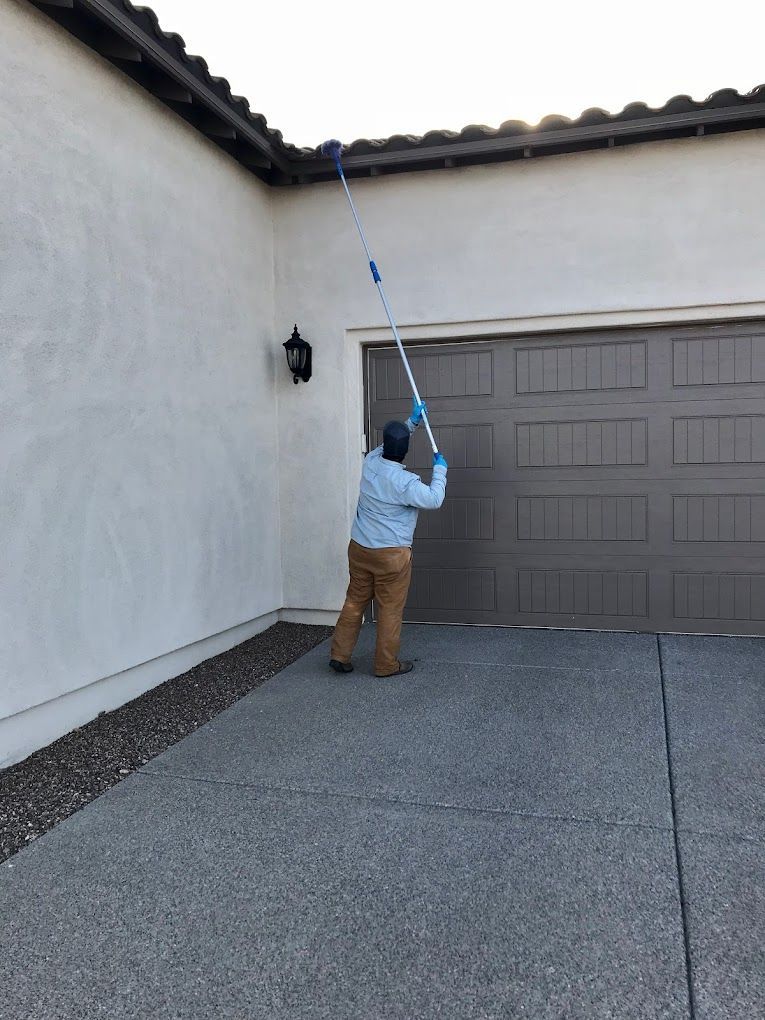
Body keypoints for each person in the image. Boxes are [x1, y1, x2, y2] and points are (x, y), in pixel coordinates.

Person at [329, 398, 448, 677]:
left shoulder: (370, 461)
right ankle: (385, 665)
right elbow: (435, 499)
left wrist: (412, 422)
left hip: (359, 549)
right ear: (405, 451)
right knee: (390, 610)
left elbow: (388, 446)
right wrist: (440, 470)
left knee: (354, 601)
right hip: (390, 557)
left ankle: (340, 654)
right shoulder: (405, 484)